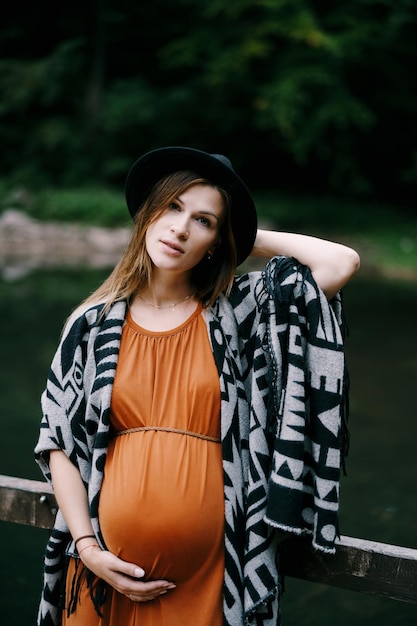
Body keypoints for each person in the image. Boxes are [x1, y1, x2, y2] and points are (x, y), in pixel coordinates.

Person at [34, 146, 360, 626]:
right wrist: (88, 548)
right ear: (148, 215)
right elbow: (59, 442)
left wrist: (241, 236)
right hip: (102, 573)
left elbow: (340, 263)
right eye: (171, 208)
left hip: (212, 579)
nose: (181, 228)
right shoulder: (91, 323)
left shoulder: (236, 312)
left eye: (203, 221)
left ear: (216, 240)